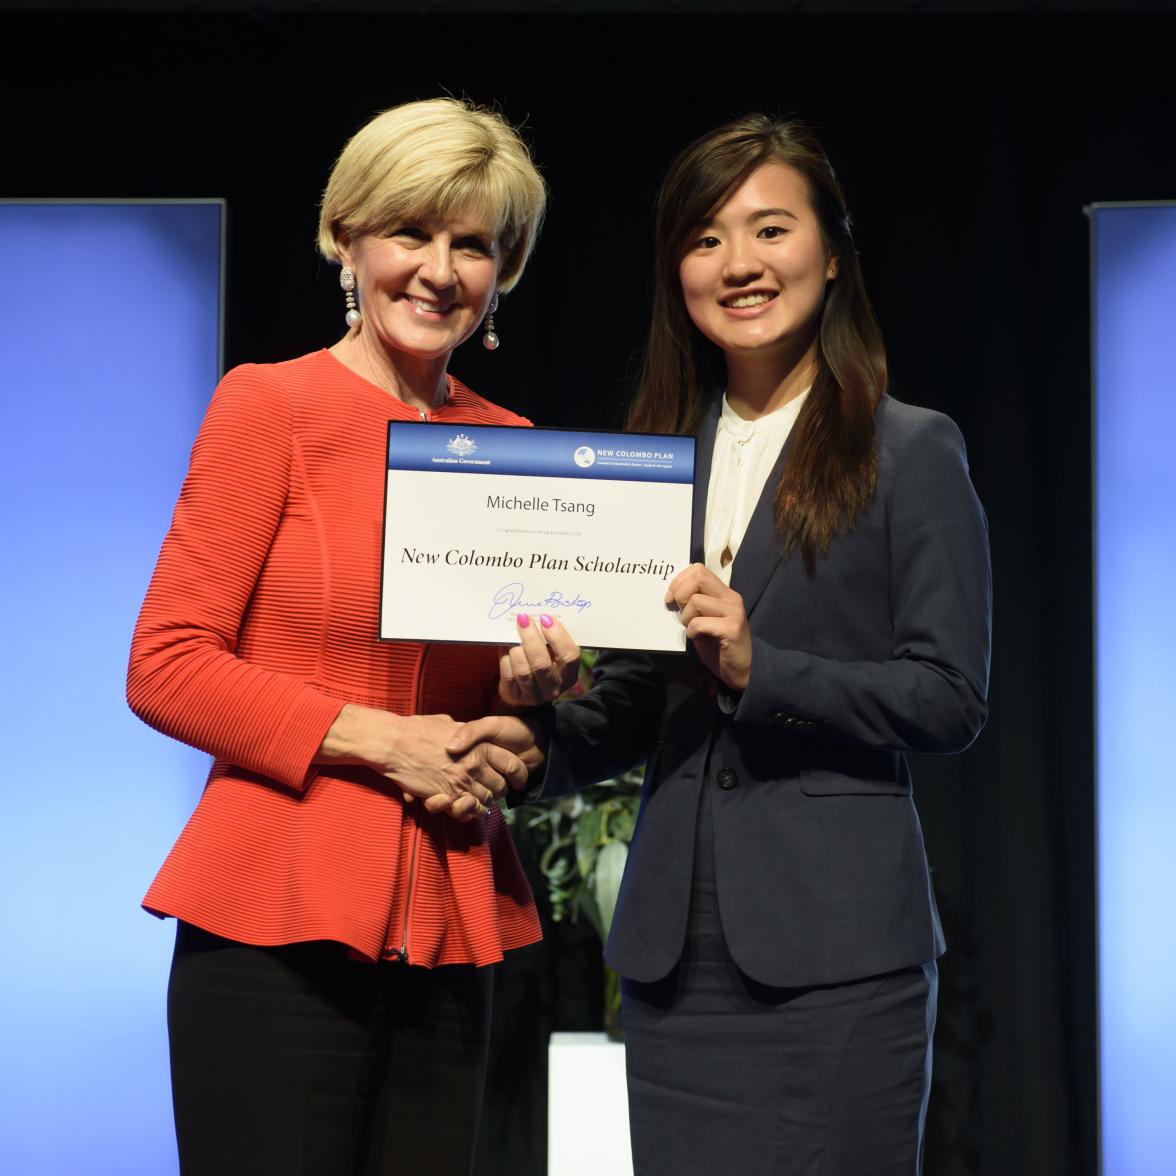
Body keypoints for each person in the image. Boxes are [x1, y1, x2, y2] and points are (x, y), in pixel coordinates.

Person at [453, 115, 992, 1174]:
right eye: (705, 238)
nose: (738, 264)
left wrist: (764, 671)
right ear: (676, 273)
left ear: (832, 254)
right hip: (674, 962)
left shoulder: (911, 448)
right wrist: (539, 723)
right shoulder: (654, 459)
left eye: (770, 229)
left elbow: (949, 697)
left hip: (838, 955)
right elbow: (646, 707)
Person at [126, 98, 578, 1176]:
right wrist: (382, 740)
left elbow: (487, 704)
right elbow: (168, 665)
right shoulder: (267, 406)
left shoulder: (515, 448)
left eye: (474, 244)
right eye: (411, 232)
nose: (439, 269)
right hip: (271, 916)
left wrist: (526, 731)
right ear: (347, 238)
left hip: (450, 913)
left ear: (503, 272)